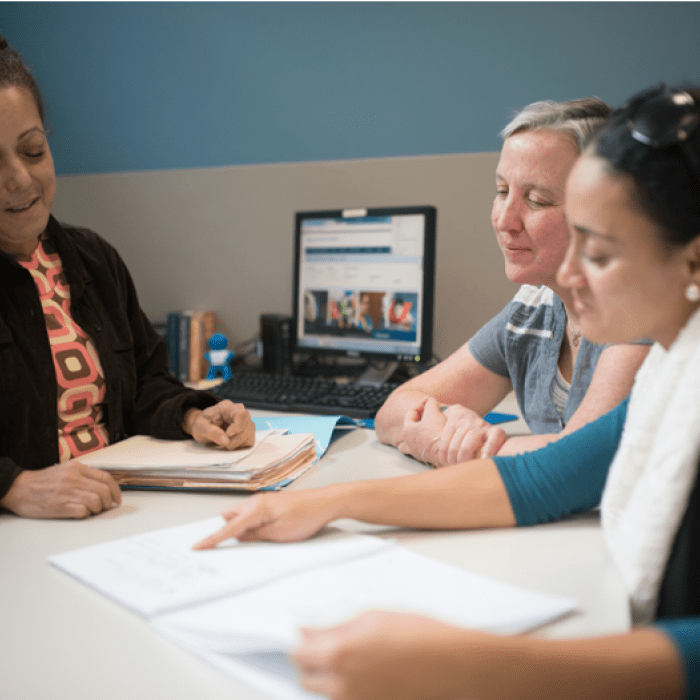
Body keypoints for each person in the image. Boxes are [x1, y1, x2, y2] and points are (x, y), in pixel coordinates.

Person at [195, 83, 700, 698]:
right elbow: (546, 477)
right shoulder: (678, 379)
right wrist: (327, 502)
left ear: (692, 264)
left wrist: (479, 665)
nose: (566, 276)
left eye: (595, 250)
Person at [0, 36, 255, 520]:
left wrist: (193, 414)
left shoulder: (93, 259)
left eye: (32, 151)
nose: (20, 179)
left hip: (116, 516)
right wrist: (13, 485)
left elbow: (143, 385)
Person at [375, 97, 651, 467]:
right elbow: (394, 408)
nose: (505, 220)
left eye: (537, 200)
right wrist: (443, 433)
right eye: (502, 191)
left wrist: (459, 445)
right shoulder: (533, 309)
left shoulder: (642, 311)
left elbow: (577, 462)